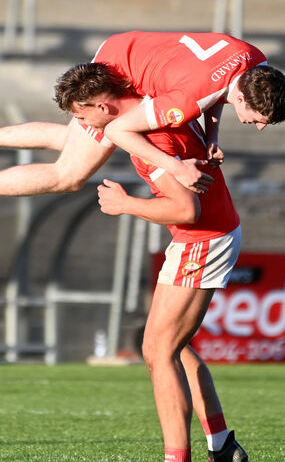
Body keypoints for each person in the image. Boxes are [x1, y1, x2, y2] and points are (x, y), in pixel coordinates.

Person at [0, 31, 285, 237]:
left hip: (124, 48)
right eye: (256, 116)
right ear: (243, 95)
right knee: (69, 175)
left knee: (73, 140)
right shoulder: (185, 101)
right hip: (122, 71)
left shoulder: (253, 59)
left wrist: (212, 139)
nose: (257, 125)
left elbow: (215, 90)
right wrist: (176, 169)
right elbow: (119, 128)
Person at [66, 63, 249, 462]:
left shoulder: (150, 138)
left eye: (82, 118)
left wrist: (125, 204)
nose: (84, 128)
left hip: (202, 238)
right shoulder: (159, 107)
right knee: (175, 348)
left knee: (157, 351)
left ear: (103, 105)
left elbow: (185, 208)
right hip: (208, 235)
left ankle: (177, 458)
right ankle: (222, 446)